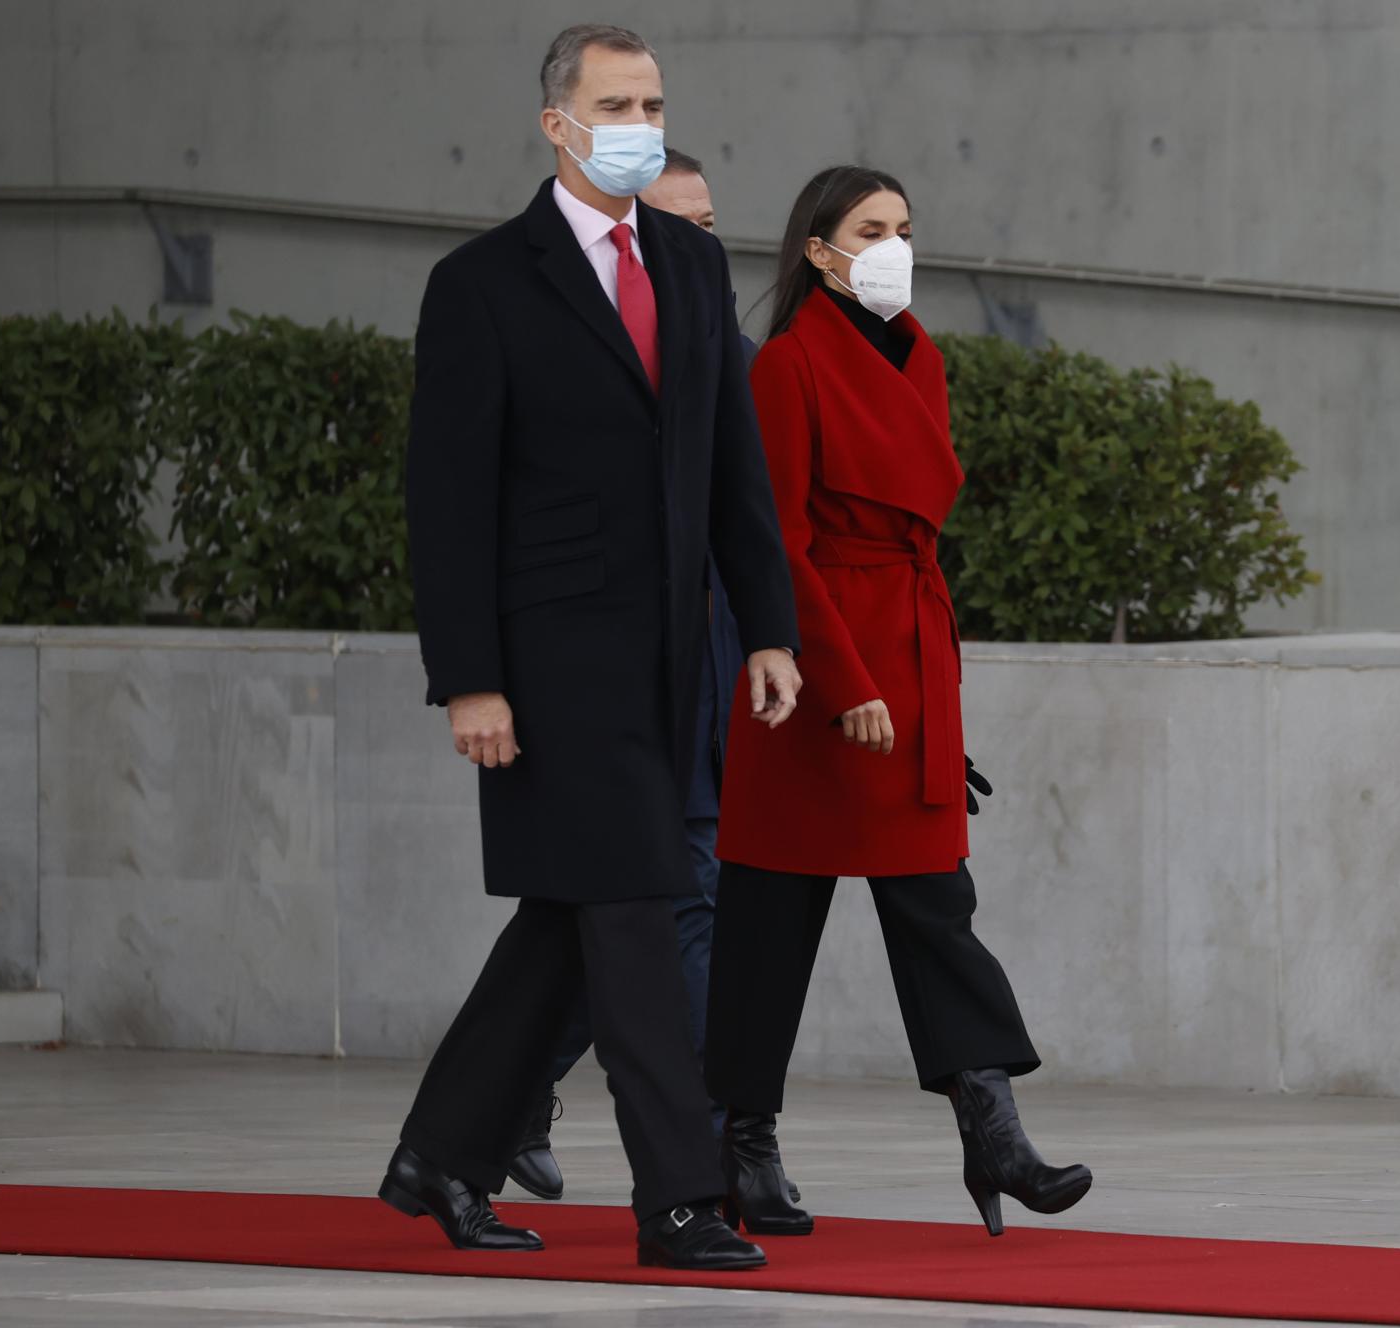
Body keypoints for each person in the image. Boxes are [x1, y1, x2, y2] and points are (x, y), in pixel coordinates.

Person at [382, 24, 802, 1272]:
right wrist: (468, 675)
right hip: (549, 665)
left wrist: (766, 627)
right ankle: (679, 1197)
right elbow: (445, 500)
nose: (640, 118)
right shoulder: (481, 284)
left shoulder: (683, 258)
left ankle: (441, 1155)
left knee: (565, 920)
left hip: (673, 657)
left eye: (653, 98)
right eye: (615, 100)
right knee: (632, 911)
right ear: (556, 122)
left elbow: (731, 467)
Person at [704, 165, 1092, 1239]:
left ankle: (994, 1132)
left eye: (904, 228)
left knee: (937, 910)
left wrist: (901, 683)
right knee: (767, 930)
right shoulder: (784, 368)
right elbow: (773, 545)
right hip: (817, 682)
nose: (892, 246)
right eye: (869, 229)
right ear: (817, 250)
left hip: (912, 664)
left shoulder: (921, 357)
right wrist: (842, 680)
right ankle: (741, 1142)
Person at [504, 147, 770, 1203]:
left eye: (710, 224)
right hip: (604, 673)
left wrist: (774, 647)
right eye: (676, 225)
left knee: (653, 899)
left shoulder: (729, 355)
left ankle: (528, 1093)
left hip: (703, 666)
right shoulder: (567, 354)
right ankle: (710, 1149)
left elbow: (753, 525)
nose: (700, 244)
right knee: (646, 900)